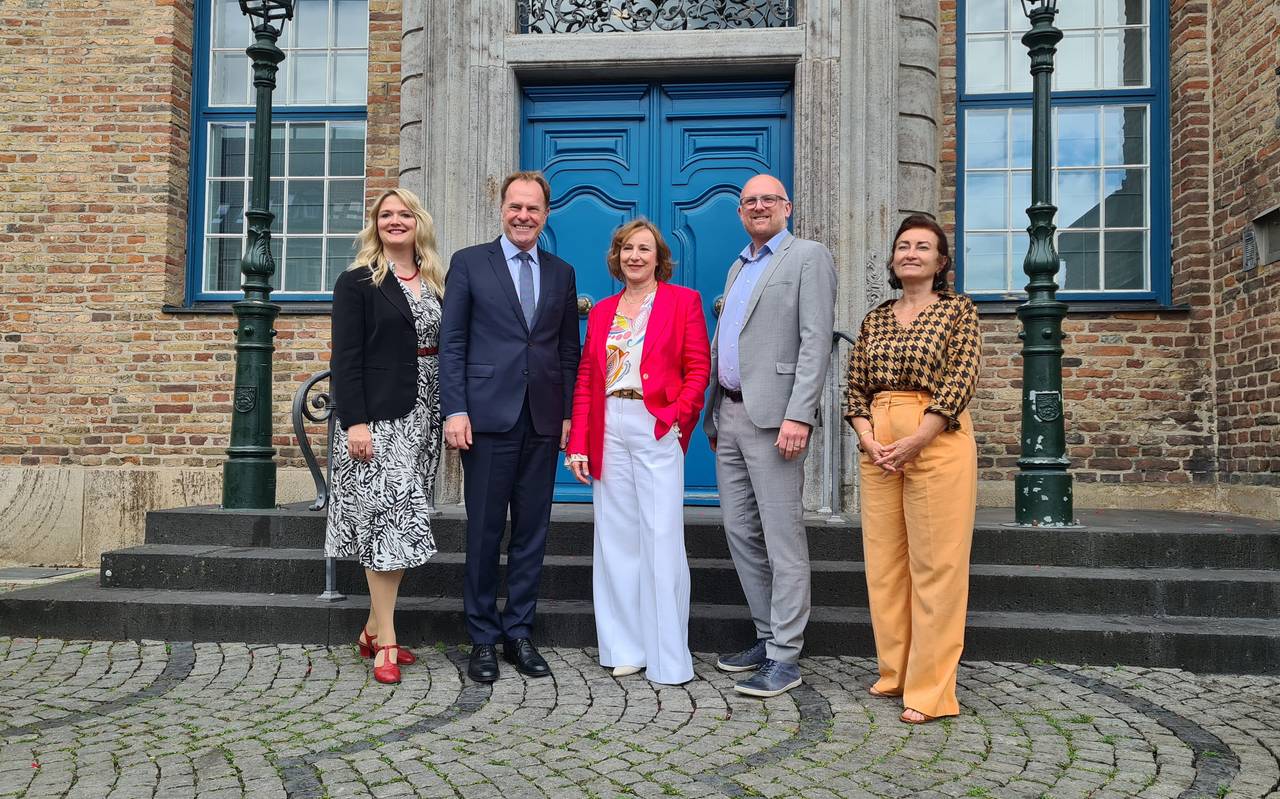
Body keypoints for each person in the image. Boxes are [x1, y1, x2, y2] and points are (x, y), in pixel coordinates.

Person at [439, 170, 581, 683]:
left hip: (542, 419)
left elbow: (568, 350)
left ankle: (519, 631)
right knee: (483, 531)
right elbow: (451, 342)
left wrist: (566, 414)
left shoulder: (562, 272)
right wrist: (454, 409)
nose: (524, 216)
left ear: (546, 214)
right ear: (502, 209)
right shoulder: (470, 263)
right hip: (484, 418)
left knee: (532, 531)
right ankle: (481, 636)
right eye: (515, 207)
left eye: (534, 209)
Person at [704, 174, 837, 698]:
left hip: (777, 420)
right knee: (740, 533)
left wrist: (799, 415)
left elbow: (815, 340)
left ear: (788, 206)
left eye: (768, 200)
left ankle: (786, 656)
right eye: (749, 202)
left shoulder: (808, 256)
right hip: (732, 416)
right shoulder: (740, 264)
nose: (758, 207)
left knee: (783, 540)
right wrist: (713, 416)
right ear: (740, 212)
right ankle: (765, 635)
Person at [844, 214, 980, 724]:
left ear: (940, 262)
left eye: (923, 246)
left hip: (936, 438)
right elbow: (854, 385)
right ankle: (895, 670)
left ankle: (931, 691)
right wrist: (869, 438)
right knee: (885, 566)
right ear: (893, 259)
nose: (911, 253)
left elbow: (961, 376)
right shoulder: (875, 318)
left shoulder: (958, 312)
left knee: (937, 566)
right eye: (903, 246)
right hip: (878, 441)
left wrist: (918, 438)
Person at [566, 219, 710, 685]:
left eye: (644, 249)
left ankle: (668, 655)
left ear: (658, 256)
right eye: (627, 248)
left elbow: (698, 367)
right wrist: (579, 443)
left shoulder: (681, 302)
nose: (635, 256)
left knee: (661, 538)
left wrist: (674, 420)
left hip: (655, 425)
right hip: (608, 424)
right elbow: (588, 380)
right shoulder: (604, 310)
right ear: (617, 255)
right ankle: (625, 646)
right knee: (616, 541)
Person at [325, 187, 446, 685]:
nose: (395, 221)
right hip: (377, 419)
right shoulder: (357, 282)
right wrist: (353, 420)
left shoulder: (436, 281)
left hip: (425, 414)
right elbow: (345, 358)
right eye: (386, 215)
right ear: (375, 225)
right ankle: (388, 643)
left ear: (419, 222)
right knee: (391, 522)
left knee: (399, 521)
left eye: (404, 214)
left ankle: (373, 628)